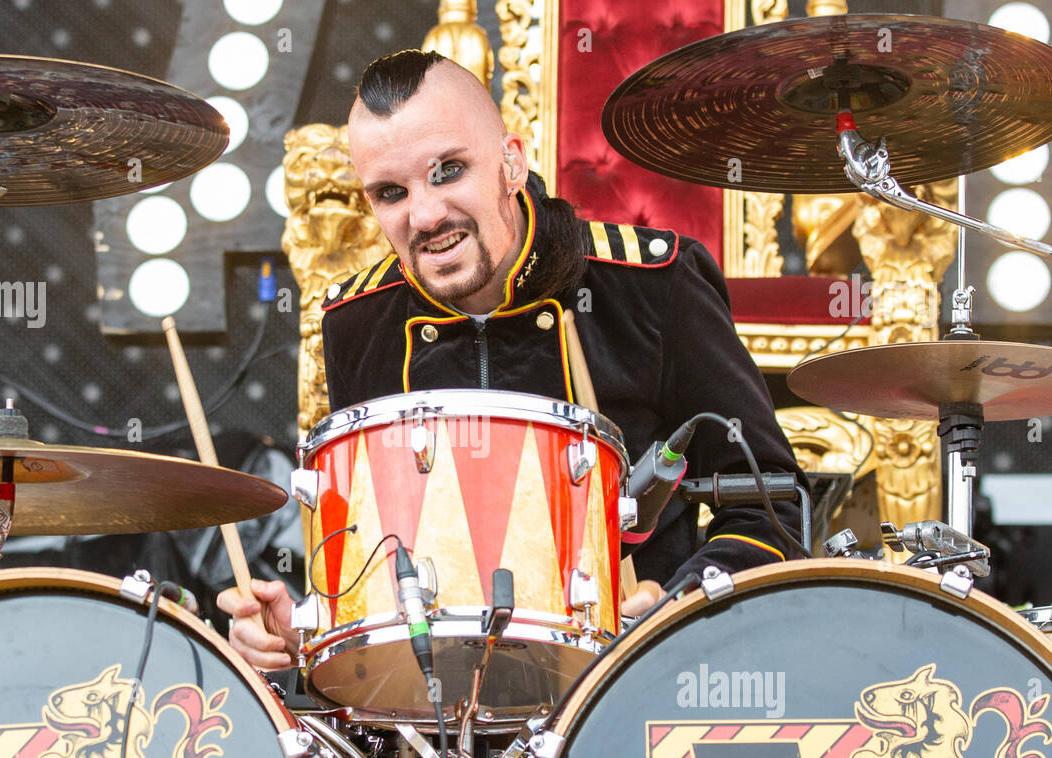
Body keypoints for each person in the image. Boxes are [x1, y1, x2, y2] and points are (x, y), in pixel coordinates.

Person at [219, 50, 806, 670]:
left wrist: (680, 608)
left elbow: (770, 502)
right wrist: (307, 629)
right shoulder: (356, 322)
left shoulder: (652, 282)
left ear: (511, 163)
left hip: (642, 684)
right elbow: (371, 556)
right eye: (391, 192)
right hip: (432, 706)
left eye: (448, 170)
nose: (425, 215)